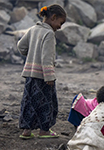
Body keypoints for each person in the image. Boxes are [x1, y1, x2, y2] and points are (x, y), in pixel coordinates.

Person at [17, 4, 66, 139]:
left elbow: (20, 46)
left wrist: (31, 54)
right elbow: (47, 58)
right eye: (60, 23)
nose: (60, 27)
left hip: (30, 75)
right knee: (46, 103)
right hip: (43, 77)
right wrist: (49, 76)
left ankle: (26, 131)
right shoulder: (49, 33)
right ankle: (44, 130)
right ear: (53, 17)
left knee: (29, 102)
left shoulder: (33, 29)